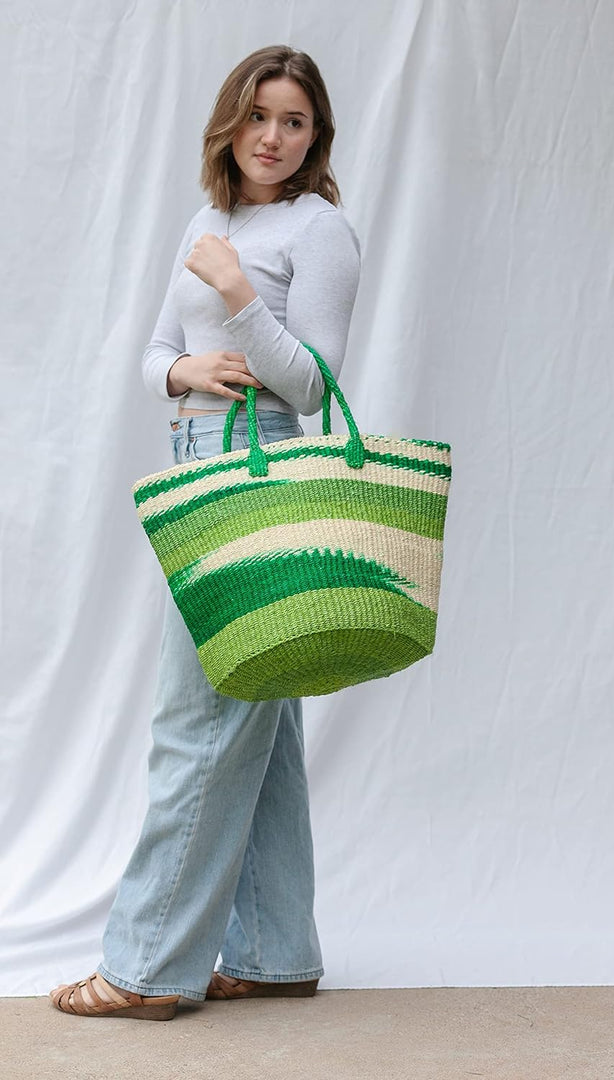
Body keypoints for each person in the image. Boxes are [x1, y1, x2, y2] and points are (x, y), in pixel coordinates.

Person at [50, 44, 361, 1021]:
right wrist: (185, 372)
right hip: (193, 458)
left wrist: (238, 297)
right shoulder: (209, 219)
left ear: (315, 136)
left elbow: (313, 385)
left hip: (256, 463)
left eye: (294, 121)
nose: (272, 137)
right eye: (258, 115)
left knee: (202, 716)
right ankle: (274, 952)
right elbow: (157, 353)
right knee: (259, 714)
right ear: (231, 122)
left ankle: (146, 968)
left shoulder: (320, 229)